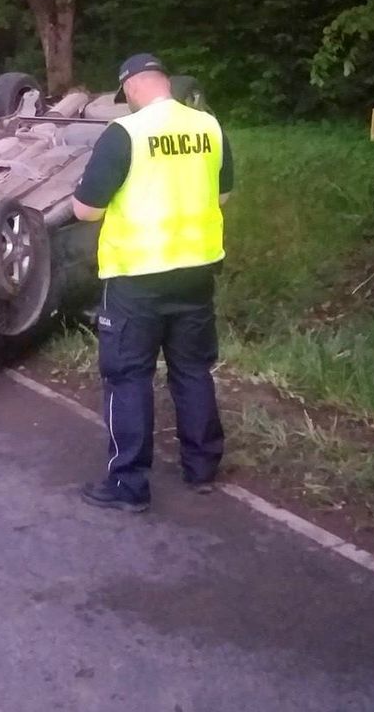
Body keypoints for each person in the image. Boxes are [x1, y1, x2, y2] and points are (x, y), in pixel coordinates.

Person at [71, 54, 233, 512]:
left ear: (135, 88)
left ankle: (128, 486)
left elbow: (87, 210)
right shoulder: (209, 127)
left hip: (137, 278)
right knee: (193, 369)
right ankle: (201, 469)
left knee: (128, 377)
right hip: (196, 273)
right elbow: (222, 194)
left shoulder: (125, 134)